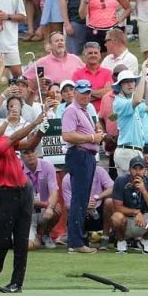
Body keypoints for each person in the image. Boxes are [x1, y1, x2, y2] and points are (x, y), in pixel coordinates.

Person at [0, 113, 47, 293]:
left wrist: (41, 131)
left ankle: (16, 283)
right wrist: (35, 122)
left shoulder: (2, 140)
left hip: (24, 192)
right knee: (3, 240)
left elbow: (29, 145)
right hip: (7, 194)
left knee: (21, 240)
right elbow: (16, 137)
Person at [61, 79, 106, 254]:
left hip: (86, 155)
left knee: (81, 200)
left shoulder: (84, 111)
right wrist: (92, 138)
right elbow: (67, 136)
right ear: (75, 93)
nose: (86, 95)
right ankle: (75, 242)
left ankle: (76, 241)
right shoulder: (71, 110)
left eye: (88, 92)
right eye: (83, 92)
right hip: (79, 155)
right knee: (79, 200)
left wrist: (96, 135)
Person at [110, 155, 148, 254]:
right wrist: (135, 212)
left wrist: (143, 190)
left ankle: (144, 241)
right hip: (126, 219)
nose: (138, 172)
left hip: (145, 220)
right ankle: (122, 241)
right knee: (116, 217)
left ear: (145, 171)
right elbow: (117, 207)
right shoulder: (120, 181)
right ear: (129, 170)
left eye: (141, 169)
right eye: (134, 168)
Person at [70, 41, 111, 111]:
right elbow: (77, 97)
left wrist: (86, 92)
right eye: (90, 53)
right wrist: (101, 94)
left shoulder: (108, 73)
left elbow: (108, 93)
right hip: (83, 113)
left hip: (104, 113)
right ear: (84, 55)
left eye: (95, 53)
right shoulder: (77, 74)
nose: (93, 55)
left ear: (100, 55)